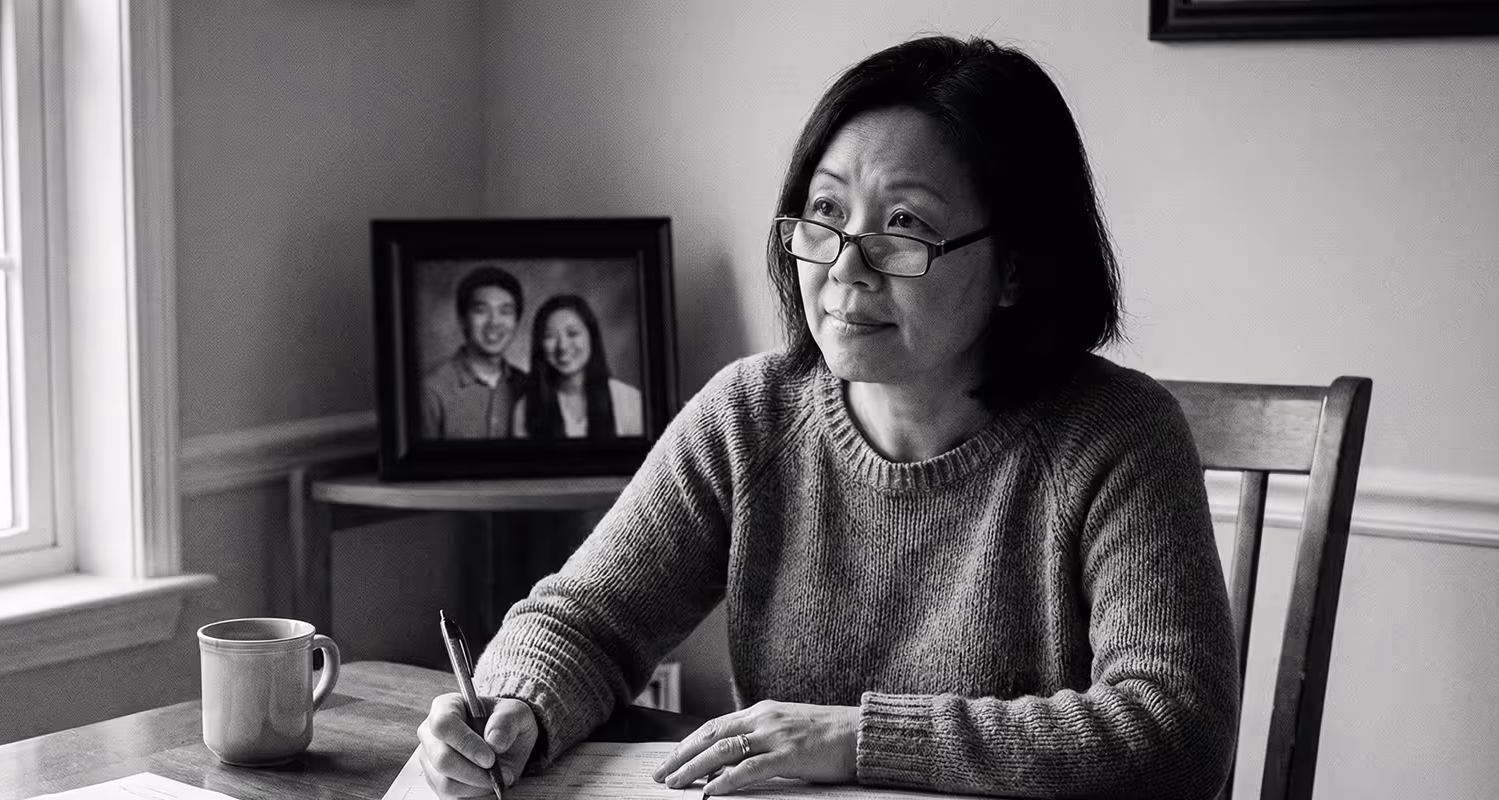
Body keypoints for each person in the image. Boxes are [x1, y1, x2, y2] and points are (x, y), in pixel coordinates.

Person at [416, 35, 1238, 800]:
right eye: (826, 213)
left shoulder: (1119, 437)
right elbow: (585, 621)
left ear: (1016, 267)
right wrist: (515, 703)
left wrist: (861, 738)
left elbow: (1174, 731)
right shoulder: (751, 416)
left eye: (905, 225)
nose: (846, 265)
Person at [419, 266, 531, 439]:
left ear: (516, 321)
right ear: (462, 319)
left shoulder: (527, 386)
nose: (494, 322)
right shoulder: (431, 391)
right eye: (481, 310)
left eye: (505, 311)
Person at [510, 294, 644, 440]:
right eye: (550, 336)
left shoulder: (628, 400)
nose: (562, 346)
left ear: (591, 336)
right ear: (540, 345)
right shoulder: (525, 409)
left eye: (572, 333)